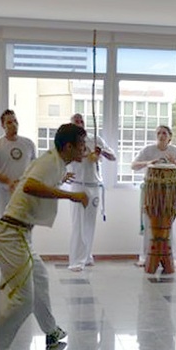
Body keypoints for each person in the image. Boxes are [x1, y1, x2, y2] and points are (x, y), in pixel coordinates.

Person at [0, 123, 89, 350]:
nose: (85, 149)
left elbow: (29, 182)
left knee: (40, 279)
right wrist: (70, 196)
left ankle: (51, 332)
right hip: (11, 234)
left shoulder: (57, 163)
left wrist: (60, 182)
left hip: (20, 234)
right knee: (22, 299)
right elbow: (29, 187)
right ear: (68, 146)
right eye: (81, 145)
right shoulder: (50, 162)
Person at [131, 125, 176, 268]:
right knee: (149, 224)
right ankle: (145, 257)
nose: (161, 136)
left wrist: (175, 162)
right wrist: (148, 163)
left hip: (168, 194)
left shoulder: (175, 151)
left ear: (170, 137)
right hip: (151, 192)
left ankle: (171, 257)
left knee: (168, 225)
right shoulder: (148, 150)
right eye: (158, 133)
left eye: (164, 133)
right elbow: (133, 165)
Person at [66, 113, 116, 272]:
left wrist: (101, 152)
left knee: (89, 223)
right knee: (78, 224)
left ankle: (87, 256)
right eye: (76, 121)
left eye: (81, 121)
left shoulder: (95, 139)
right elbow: (63, 160)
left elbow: (113, 157)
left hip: (93, 185)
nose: (79, 123)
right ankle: (76, 261)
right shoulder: (68, 141)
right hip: (78, 185)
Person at [0, 109, 37, 221]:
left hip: (24, 192)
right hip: (4, 192)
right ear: (3, 125)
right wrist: (9, 181)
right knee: (5, 224)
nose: (14, 125)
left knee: (23, 225)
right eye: (9, 122)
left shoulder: (28, 144)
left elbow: (35, 167)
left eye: (15, 121)